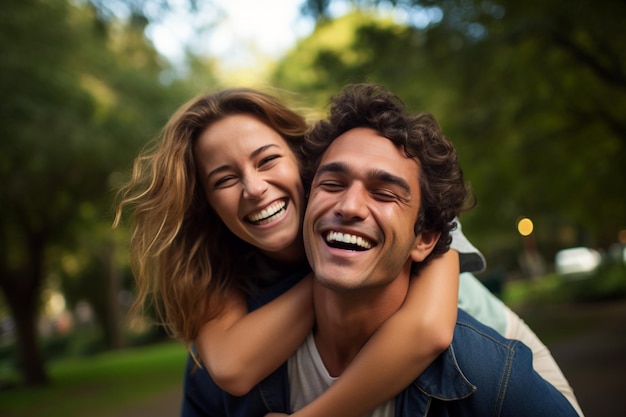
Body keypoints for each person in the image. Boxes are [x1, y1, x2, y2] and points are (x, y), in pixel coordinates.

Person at [115, 87, 581, 416]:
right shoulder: (222, 267)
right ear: (208, 204)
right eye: (224, 179)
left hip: (502, 363)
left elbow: (427, 330)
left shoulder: (416, 227)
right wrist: (327, 284)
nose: (254, 188)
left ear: (304, 161)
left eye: (267, 159)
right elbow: (231, 368)